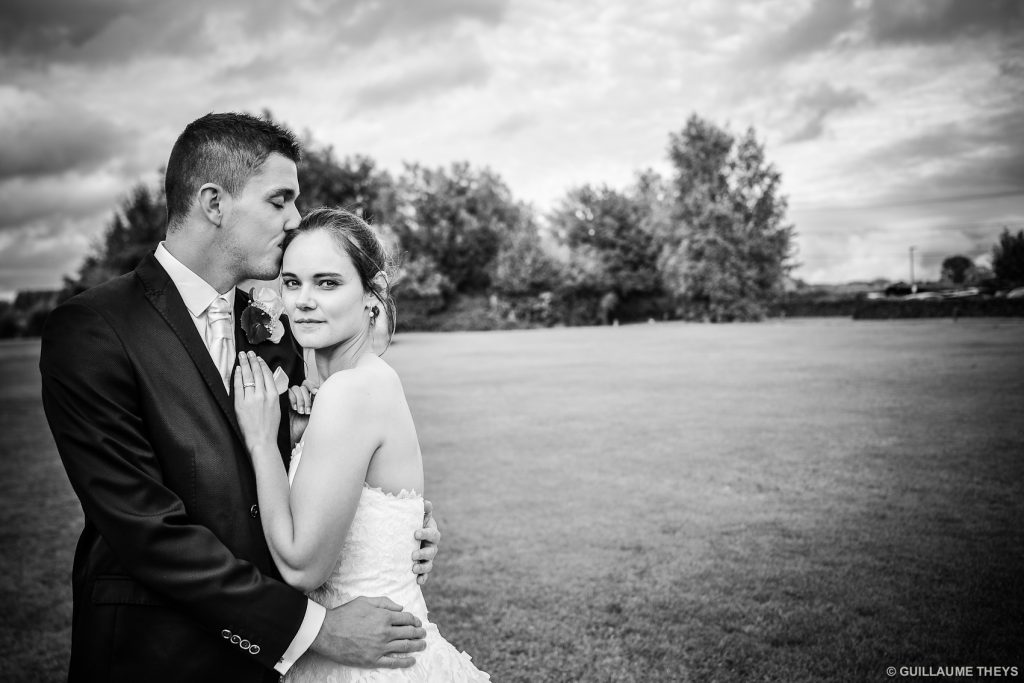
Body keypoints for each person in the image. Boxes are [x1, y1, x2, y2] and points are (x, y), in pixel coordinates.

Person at [39, 113, 440, 683]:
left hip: (267, 666)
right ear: (213, 202)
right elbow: (148, 530)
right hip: (156, 658)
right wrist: (316, 630)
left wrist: (400, 530)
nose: (295, 219)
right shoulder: (95, 330)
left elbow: (319, 475)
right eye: (280, 200)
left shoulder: (282, 335)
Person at [232, 207, 490, 681]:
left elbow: (302, 567)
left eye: (327, 283)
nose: (304, 301)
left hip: (366, 661)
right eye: (292, 283)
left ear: (372, 295)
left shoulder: (349, 393)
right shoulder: (367, 382)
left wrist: (260, 440)